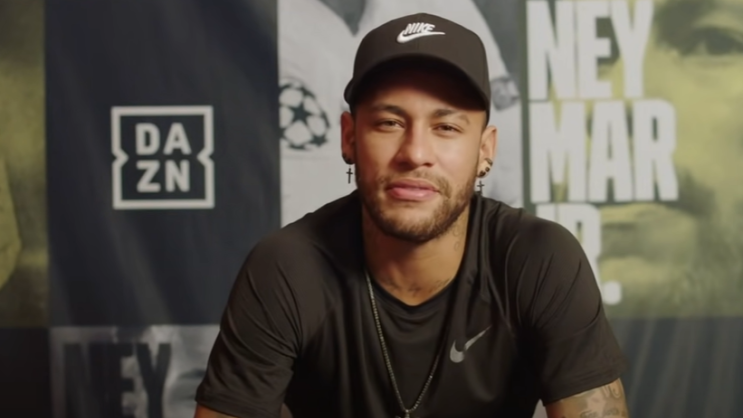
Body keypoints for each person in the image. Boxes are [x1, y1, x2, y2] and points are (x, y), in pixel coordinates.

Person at [194, 12, 629, 418]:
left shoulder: (538, 258)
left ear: (485, 150)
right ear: (349, 137)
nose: (415, 153)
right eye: (389, 123)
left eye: (446, 127)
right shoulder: (288, 268)